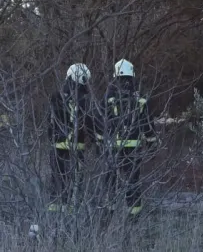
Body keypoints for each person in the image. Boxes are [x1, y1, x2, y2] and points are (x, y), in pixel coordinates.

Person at [103, 59, 157, 218]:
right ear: (132, 76)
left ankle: (107, 217)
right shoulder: (140, 101)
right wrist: (152, 144)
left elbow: (100, 121)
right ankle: (133, 218)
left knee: (110, 183)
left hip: (112, 149)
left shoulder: (108, 99)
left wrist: (100, 142)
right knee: (132, 183)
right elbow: (148, 125)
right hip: (133, 150)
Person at [48, 63, 101, 213]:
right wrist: (98, 142)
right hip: (76, 149)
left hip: (56, 147)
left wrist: (52, 139)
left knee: (56, 183)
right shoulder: (84, 99)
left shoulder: (55, 96)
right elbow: (90, 124)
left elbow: (49, 122)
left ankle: (53, 220)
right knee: (75, 185)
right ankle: (70, 220)